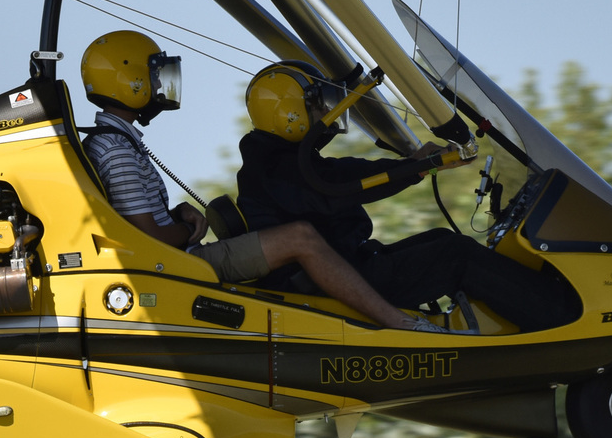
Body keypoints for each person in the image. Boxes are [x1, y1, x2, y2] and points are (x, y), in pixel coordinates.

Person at [77, 31, 449, 332]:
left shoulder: (117, 143)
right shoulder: (116, 149)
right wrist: (187, 228)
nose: (160, 84)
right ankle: (398, 323)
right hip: (181, 261)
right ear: (131, 78)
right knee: (299, 236)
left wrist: (179, 216)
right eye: (155, 74)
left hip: (179, 253)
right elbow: (151, 239)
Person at [232, 61, 576, 334]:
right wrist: (415, 167)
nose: (328, 112)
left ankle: (503, 320)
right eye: (319, 103)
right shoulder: (276, 167)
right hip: (325, 285)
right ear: (289, 111)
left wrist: (414, 166)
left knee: (442, 240)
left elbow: (339, 175)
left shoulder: (275, 162)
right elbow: (335, 185)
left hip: (341, 269)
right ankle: (565, 320)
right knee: (455, 256)